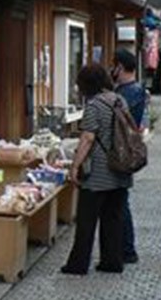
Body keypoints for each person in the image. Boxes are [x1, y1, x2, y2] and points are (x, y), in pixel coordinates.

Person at [63, 64, 130, 275]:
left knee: (86, 220)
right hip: (120, 168)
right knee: (113, 219)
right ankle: (112, 261)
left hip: (99, 173)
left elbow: (88, 137)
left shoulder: (94, 105)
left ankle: (78, 264)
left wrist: (75, 166)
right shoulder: (119, 100)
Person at [111, 49, 147, 265]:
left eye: (113, 66)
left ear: (120, 67)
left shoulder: (126, 93)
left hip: (120, 152)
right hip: (128, 151)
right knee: (120, 202)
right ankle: (125, 248)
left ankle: (126, 249)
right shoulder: (137, 90)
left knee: (120, 203)